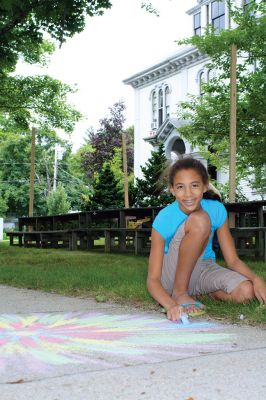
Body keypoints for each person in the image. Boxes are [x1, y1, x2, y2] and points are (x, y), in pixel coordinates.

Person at [147, 157, 266, 321]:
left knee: (247, 292)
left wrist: (256, 279)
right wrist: (170, 304)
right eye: (180, 187)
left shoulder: (217, 210)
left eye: (194, 185)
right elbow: (152, 279)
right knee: (200, 220)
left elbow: (233, 261)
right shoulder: (164, 218)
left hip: (204, 268)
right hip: (171, 274)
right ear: (172, 190)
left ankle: (199, 293)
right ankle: (180, 293)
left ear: (204, 186)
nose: (188, 194)